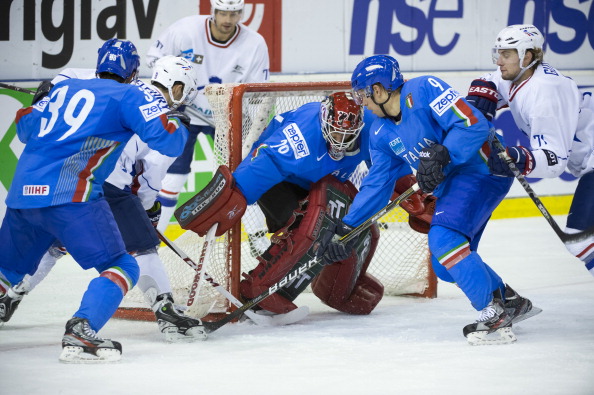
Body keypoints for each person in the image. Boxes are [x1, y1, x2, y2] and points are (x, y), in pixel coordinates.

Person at [318, 55, 539, 345]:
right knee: (445, 266)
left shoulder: (423, 89)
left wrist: (446, 153)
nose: (362, 103)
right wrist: (348, 227)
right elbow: (377, 184)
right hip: (455, 183)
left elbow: (473, 125)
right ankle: (509, 300)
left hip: (482, 168)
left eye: (363, 94)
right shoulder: (380, 131)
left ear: (380, 89)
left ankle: (493, 317)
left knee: (444, 239)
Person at [0, 39, 190, 362]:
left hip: (22, 195)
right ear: (133, 74)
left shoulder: (64, 87)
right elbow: (168, 142)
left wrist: (39, 100)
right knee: (123, 264)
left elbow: (24, 127)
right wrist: (177, 124)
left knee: (5, 272)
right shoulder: (129, 94)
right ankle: (82, 328)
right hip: (70, 195)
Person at [174, 92, 434, 317]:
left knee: (360, 227)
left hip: (320, 180)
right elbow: (268, 162)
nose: (340, 143)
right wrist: (235, 196)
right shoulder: (300, 137)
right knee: (308, 226)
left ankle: (341, 288)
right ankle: (258, 288)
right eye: (335, 134)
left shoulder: (371, 127)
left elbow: (387, 164)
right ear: (323, 124)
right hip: (281, 178)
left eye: (348, 136)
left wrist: (412, 194)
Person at [465, 24, 594, 276]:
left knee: (580, 239)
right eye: (498, 53)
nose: (499, 61)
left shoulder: (545, 92)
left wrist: (519, 158)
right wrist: (480, 93)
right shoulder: (519, 75)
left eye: (506, 55)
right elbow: (490, 81)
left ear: (527, 56)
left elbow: (555, 160)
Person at [146, 0, 270, 252]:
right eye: (223, 12)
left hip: (229, 117)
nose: (227, 19)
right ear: (213, 11)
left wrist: (241, 116)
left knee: (245, 174)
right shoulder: (185, 31)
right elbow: (154, 61)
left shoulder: (254, 43)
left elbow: (258, 91)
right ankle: (154, 238)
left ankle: (257, 237)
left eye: (233, 13)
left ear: (241, 13)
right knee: (173, 171)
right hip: (185, 111)